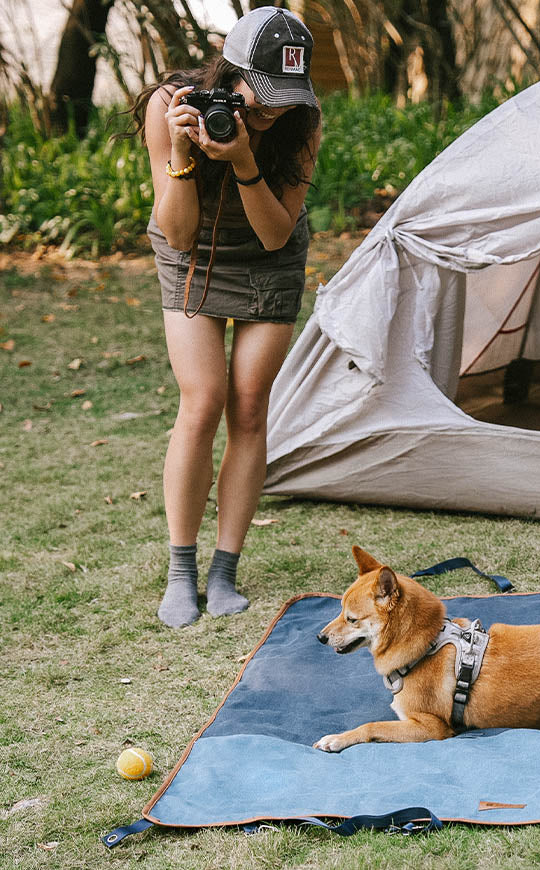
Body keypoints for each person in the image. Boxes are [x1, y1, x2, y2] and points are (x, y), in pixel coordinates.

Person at [122, 7, 322, 627]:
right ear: (229, 74)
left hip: (268, 257)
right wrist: (184, 149)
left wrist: (242, 160)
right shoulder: (171, 104)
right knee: (202, 400)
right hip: (192, 254)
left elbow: (273, 235)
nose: (272, 112)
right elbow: (177, 234)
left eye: (284, 100)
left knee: (249, 407)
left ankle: (224, 570)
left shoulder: (300, 127)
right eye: (261, 99)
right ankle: (182, 572)